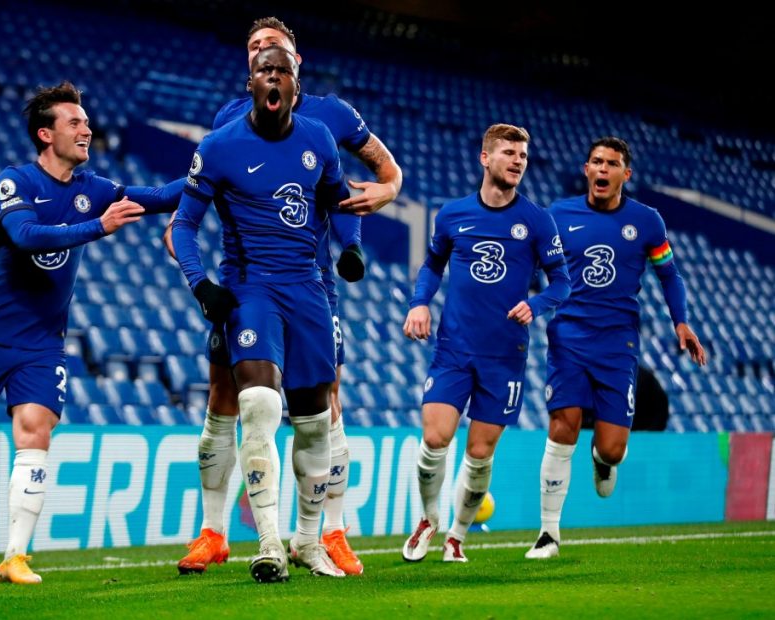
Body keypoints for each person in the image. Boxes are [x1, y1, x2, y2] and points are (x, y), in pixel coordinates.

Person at [0, 81, 182, 584]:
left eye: (86, 121)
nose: (87, 129)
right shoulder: (15, 181)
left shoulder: (96, 189)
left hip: (42, 343)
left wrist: (212, 170)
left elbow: (161, 196)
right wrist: (97, 228)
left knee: (35, 432)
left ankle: (14, 557)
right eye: (75, 122)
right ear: (46, 134)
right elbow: (25, 236)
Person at [172, 16, 402, 577]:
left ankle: (314, 538)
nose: (270, 74)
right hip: (249, 289)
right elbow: (183, 218)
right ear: (249, 80)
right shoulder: (222, 138)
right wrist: (202, 284)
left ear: (296, 74)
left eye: (278, 64)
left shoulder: (325, 132)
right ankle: (265, 541)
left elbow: (341, 199)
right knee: (253, 402)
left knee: (317, 418)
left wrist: (356, 241)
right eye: (259, 64)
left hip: (311, 290)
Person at [525, 136, 706, 560]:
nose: (602, 170)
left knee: (611, 448)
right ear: (587, 170)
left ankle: (602, 460)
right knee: (562, 426)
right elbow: (532, 266)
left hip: (618, 345)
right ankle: (548, 534)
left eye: (612, 164)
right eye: (596, 162)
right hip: (568, 337)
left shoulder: (647, 222)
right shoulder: (558, 215)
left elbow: (669, 275)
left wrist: (681, 321)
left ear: (626, 174)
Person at [401, 124, 570, 563]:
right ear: (485, 158)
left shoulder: (536, 220)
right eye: (509, 153)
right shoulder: (453, 214)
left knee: (478, 453)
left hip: (505, 355)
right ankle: (428, 519)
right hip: (454, 348)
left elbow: (563, 283)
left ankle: (456, 535)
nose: (518, 161)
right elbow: (432, 265)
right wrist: (420, 303)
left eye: (523, 156)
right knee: (435, 438)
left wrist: (537, 304)